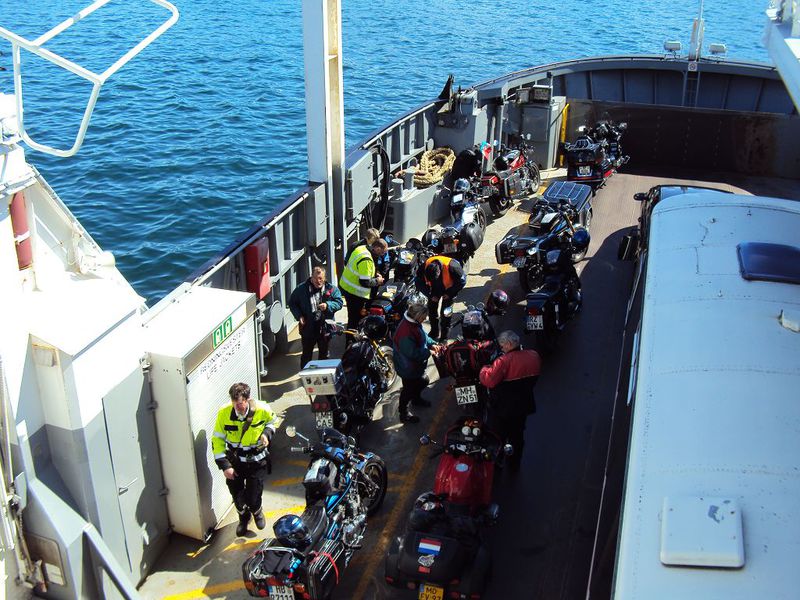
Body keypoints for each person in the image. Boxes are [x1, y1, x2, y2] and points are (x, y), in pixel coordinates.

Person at [211, 383, 277, 536]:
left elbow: (273, 422)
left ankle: (257, 512)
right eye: (234, 403)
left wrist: (266, 434)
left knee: (253, 496)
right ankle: (243, 518)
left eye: (240, 403)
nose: (237, 407)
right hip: (236, 462)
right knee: (237, 496)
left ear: (247, 399)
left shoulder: (262, 409)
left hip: (256, 461)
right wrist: (225, 466)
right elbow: (217, 439)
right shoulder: (224, 413)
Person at [479, 330, 541, 469]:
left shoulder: (503, 361)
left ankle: (497, 462)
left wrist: (484, 369)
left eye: (502, 346)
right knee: (517, 436)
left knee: (497, 436)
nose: (502, 349)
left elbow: (489, 380)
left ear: (508, 344)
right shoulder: (534, 356)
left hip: (502, 408)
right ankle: (514, 463)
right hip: (523, 406)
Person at [392, 301, 440, 423]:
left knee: (423, 381)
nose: (425, 320)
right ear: (417, 316)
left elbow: (423, 336)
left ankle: (416, 399)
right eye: (423, 318)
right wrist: (429, 352)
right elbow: (412, 353)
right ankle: (403, 413)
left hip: (415, 366)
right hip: (407, 367)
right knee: (408, 390)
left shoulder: (414, 323)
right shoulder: (405, 331)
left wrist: (432, 343)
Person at [288, 266, 343, 370]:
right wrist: (299, 316)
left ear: (325, 278)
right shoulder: (301, 289)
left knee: (324, 353)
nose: (318, 281)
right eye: (316, 278)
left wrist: (328, 305)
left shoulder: (332, 289)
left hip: (325, 327)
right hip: (308, 327)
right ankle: (305, 373)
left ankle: (322, 373)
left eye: (321, 278)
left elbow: (339, 302)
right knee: (306, 354)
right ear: (311, 278)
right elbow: (292, 303)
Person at [339, 238, 388, 331]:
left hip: (347, 287)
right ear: (377, 248)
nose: (382, 255)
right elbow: (365, 282)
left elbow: (362, 271)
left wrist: (375, 274)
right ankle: (352, 338)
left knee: (352, 316)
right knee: (355, 319)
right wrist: (377, 281)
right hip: (355, 293)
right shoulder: (366, 260)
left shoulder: (362, 248)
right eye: (382, 252)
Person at [415, 255, 466, 341]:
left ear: (439, 272)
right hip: (434, 290)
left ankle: (444, 337)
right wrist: (430, 295)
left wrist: (449, 293)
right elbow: (418, 282)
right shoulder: (424, 266)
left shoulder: (453, 267)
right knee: (431, 311)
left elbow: (462, 282)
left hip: (449, 290)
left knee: (446, 314)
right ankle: (434, 332)